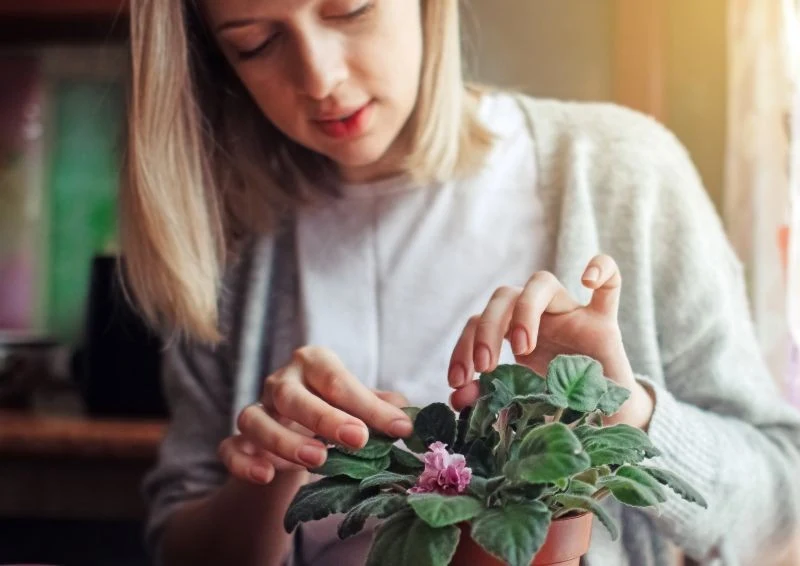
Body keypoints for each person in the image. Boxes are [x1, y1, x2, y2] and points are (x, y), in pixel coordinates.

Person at [123, 1, 800, 565]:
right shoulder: (230, 234)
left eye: (349, 9)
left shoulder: (619, 173)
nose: (320, 77)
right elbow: (178, 547)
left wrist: (628, 411)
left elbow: (782, 498)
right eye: (257, 43)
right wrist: (271, 475)